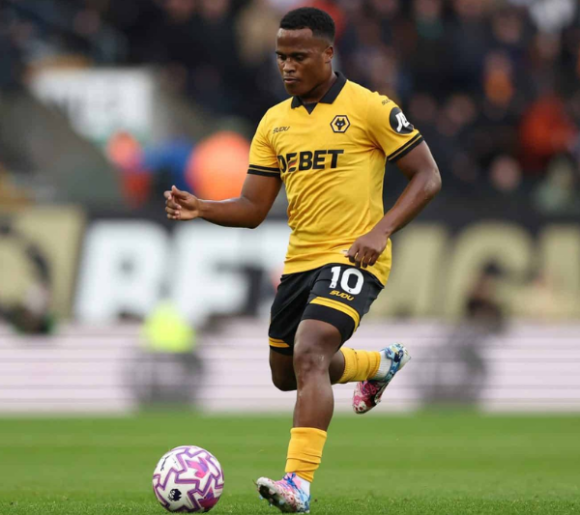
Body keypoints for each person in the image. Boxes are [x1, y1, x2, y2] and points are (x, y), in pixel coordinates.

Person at [164, 7, 441, 513]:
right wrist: (203, 207)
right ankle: (378, 364)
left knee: (310, 350)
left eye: (298, 56)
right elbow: (253, 209)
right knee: (288, 373)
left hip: (356, 256)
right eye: (281, 57)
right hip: (300, 263)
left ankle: (298, 483)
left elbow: (428, 176)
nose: (287, 66)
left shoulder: (370, 107)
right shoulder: (274, 122)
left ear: (328, 53)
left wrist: (380, 231)